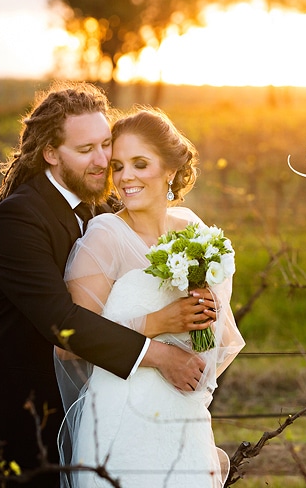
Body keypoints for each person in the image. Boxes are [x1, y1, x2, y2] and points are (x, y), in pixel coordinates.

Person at [0, 82, 216, 488]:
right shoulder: (19, 219)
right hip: (30, 420)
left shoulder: (102, 206)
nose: (103, 160)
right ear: (51, 154)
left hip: (106, 409)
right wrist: (157, 350)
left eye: (106, 144)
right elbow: (64, 322)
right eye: (86, 150)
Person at [56, 105, 245, 488]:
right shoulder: (103, 237)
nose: (126, 177)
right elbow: (69, 343)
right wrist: (160, 323)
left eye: (140, 164)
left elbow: (222, 340)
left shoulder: (193, 231)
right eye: (119, 166)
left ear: (170, 171)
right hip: (121, 415)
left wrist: (204, 314)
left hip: (182, 413)